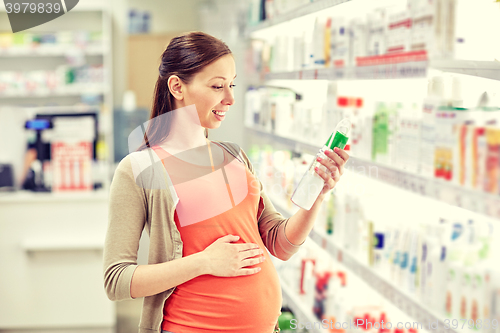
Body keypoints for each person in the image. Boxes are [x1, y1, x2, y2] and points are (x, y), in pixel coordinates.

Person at [103, 31, 349, 333]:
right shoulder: (140, 168)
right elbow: (116, 280)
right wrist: (204, 262)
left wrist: (318, 194)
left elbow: (280, 243)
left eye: (231, 85)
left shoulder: (235, 156)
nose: (230, 99)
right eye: (218, 86)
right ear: (177, 86)